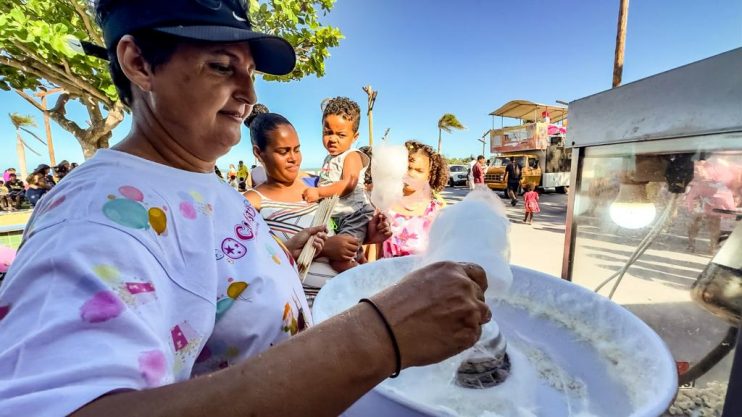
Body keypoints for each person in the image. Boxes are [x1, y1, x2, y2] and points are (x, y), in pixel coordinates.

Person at [0, 2, 490, 416]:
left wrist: (289, 247)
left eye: (250, 71)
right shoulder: (92, 218)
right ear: (139, 63)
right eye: (221, 66)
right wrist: (378, 335)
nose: (250, 94)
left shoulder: (195, 174)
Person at [243, 112, 391, 306]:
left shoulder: (315, 189)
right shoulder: (251, 203)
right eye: (283, 151)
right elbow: (250, 266)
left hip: (343, 301)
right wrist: (322, 249)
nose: (293, 158)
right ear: (258, 152)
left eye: (297, 149)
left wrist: (371, 235)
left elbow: (336, 230)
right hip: (300, 310)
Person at [302, 97, 375, 272]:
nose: (333, 139)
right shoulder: (329, 158)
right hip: (337, 217)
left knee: (339, 260)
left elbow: (349, 183)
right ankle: (362, 265)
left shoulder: (352, 156)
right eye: (328, 132)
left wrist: (319, 193)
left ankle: (361, 280)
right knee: (351, 253)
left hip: (353, 214)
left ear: (354, 137)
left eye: (341, 135)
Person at [383, 141, 448, 258]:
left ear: (429, 175)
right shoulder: (384, 206)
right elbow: (373, 249)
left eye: (419, 170)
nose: (411, 174)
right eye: (407, 168)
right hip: (388, 273)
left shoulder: (437, 210)